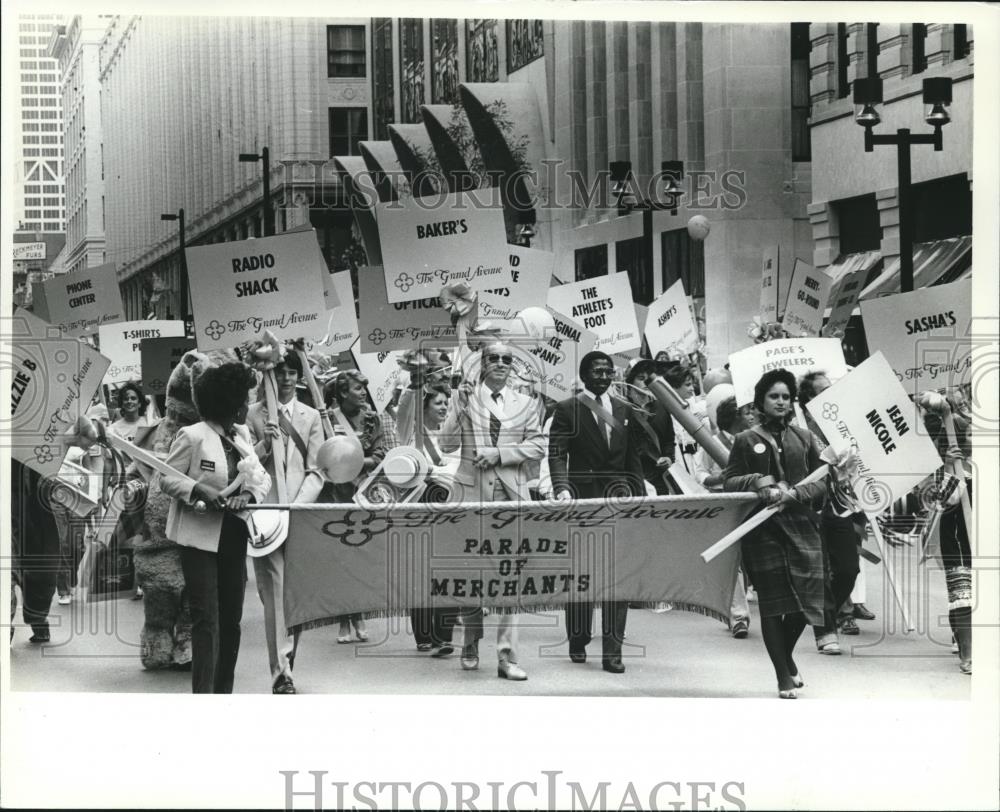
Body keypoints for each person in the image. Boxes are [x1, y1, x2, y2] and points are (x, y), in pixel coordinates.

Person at [437, 341, 546, 680]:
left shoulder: (527, 404)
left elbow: (539, 444)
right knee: (472, 572)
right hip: (471, 493)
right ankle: (470, 642)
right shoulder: (466, 397)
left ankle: (507, 657)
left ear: (512, 365)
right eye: (493, 358)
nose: (500, 363)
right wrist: (458, 403)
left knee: (511, 576)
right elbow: (446, 443)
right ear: (482, 364)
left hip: (511, 495)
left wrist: (502, 455)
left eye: (506, 359)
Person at [159, 362, 271, 693]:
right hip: (198, 539)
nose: (247, 407)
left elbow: (259, 477)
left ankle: (225, 694)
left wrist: (248, 494)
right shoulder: (192, 436)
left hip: (234, 534)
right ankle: (203, 696)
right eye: (243, 401)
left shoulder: (243, 434)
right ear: (230, 404)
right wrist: (197, 489)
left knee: (231, 620)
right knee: (206, 619)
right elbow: (164, 477)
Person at [723, 368, 827, 698]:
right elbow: (729, 480)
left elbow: (822, 480)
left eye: (785, 397)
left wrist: (797, 494)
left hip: (800, 524)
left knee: (806, 601)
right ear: (760, 401)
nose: (780, 402)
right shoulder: (745, 439)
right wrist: (758, 483)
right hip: (762, 529)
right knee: (771, 603)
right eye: (773, 397)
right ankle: (783, 676)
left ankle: (786, 658)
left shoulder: (805, 438)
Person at [549, 350, 645, 674]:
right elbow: (557, 453)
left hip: (619, 501)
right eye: (597, 371)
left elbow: (633, 459)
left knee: (618, 576)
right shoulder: (567, 409)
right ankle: (578, 638)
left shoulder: (625, 410)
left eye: (608, 372)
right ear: (584, 374)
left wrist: (640, 498)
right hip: (582, 501)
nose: (604, 377)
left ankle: (613, 651)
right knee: (582, 574)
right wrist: (561, 487)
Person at [247, 353, 324, 694]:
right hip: (265, 515)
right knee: (274, 593)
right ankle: (281, 671)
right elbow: (243, 463)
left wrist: (297, 505)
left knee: (293, 594)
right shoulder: (252, 414)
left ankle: (287, 656)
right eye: (281, 372)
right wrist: (264, 444)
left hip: (298, 513)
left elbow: (318, 468)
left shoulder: (310, 416)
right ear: (269, 375)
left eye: (293, 372)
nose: (288, 378)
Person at [798, 371, 862, 655]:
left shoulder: (844, 423)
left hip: (841, 508)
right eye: (822, 391)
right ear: (809, 400)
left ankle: (825, 614)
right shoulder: (798, 429)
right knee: (820, 571)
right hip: (810, 508)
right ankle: (825, 631)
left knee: (849, 569)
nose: (830, 394)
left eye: (831, 389)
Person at [326, 370, 390, 644]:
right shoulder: (327, 420)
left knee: (361, 561)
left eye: (365, 387)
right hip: (336, 497)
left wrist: (354, 462)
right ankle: (343, 619)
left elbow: (380, 454)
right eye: (357, 388)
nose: (363, 393)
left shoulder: (372, 419)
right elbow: (324, 457)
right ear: (342, 393)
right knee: (341, 561)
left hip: (365, 495)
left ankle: (359, 615)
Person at [400, 383, 461, 657]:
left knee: (448, 570)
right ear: (424, 406)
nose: (444, 407)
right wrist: (415, 380)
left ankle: (443, 636)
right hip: (420, 507)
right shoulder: (411, 435)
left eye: (447, 403)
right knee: (421, 573)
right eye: (438, 403)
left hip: (450, 507)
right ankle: (424, 634)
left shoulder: (452, 438)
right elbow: (404, 409)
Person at [693, 395, 755, 639]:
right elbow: (699, 474)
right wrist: (720, 479)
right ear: (734, 416)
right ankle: (738, 616)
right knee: (732, 561)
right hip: (725, 506)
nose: (753, 416)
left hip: (753, 504)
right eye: (747, 411)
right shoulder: (711, 444)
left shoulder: (756, 439)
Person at [623, 358, 675, 494]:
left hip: (661, 479)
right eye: (640, 378)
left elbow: (669, 439)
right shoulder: (621, 409)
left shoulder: (662, 407)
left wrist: (669, 457)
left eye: (648, 377)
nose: (645, 382)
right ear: (630, 382)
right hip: (634, 481)